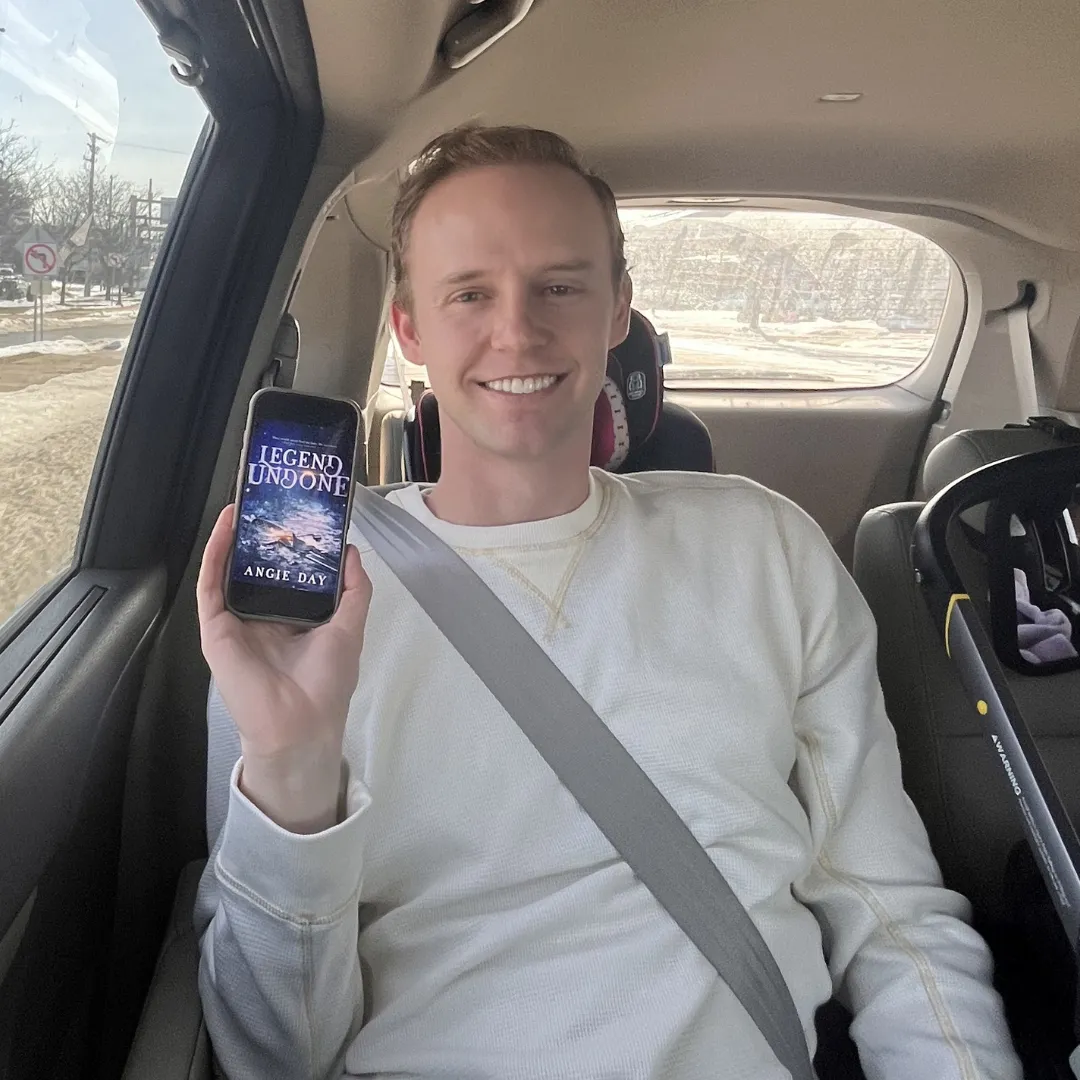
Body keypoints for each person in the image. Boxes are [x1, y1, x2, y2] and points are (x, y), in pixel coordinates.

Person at [194, 124, 1021, 1079]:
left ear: (618, 308)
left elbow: (892, 916)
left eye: (561, 286)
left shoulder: (764, 545)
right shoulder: (302, 606)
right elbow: (277, 1056)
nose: (518, 332)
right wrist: (292, 775)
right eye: (470, 293)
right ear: (409, 326)